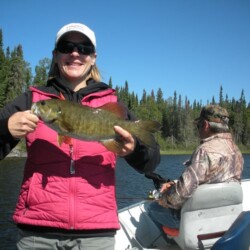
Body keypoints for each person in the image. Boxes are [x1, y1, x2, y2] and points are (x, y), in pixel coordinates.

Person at [0, 23, 160, 250]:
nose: (75, 53)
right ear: (56, 55)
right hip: (37, 232)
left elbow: (151, 162)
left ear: (93, 58)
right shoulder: (32, 100)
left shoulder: (112, 105)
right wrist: (5, 127)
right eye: (67, 46)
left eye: (83, 48)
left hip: (96, 234)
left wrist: (134, 149)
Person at [148, 104, 244, 234]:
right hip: (227, 222)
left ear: (205, 125)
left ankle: (177, 239)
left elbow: (181, 194)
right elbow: (213, 180)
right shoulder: (236, 150)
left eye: (198, 125)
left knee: (153, 209)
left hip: (200, 222)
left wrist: (162, 198)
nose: (198, 129)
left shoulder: (204, 151)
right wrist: (175, 185)